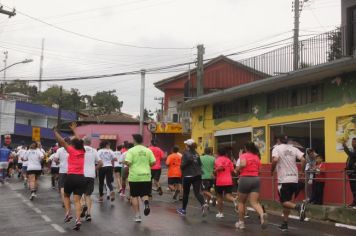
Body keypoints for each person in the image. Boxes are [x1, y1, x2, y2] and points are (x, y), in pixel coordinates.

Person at [53, 123, 86, 231]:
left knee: (66, 196)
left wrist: (55, 132)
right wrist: (74, 130)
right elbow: (79, 140)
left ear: (73, 145)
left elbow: (62, 141)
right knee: (77, 201)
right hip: (81, 178)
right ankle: (78, 220)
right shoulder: (82, 151)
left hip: (71, 177)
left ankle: (68, 213)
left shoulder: (71, 150)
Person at [271, 134, 307, 232]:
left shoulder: (276, 148)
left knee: (284, 202)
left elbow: (275, 160)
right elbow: (303, 159)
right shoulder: (293, 148)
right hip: (294, 179)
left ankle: (299, 207)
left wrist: (271, 170)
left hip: (284, 180)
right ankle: (285, 223)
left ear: (278, 140)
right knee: (287, 203)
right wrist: (302, 172)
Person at [235, 142, 267, 230]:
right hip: (256, 179)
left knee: (241, 202)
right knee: (254, 202)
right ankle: (262, 215)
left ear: (245, 148)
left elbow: (243, 164)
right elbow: (260, 170)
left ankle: (241, 223)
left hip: (245, 178)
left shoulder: (244, 155)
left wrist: (237, 168)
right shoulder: (256, 157)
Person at [124, 134, 156, 222]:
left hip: (135, 177)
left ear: (134, 140)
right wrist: (146, 165)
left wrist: (125, 162)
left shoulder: (131, 151)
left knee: (134, 196)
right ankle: (146, 203)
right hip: (146, 176)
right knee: (144, 194)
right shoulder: (148, 150)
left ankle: (137, 216)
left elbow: (128, 162)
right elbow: (153, 162)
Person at [177, 139, 208, 217]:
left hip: (188, 175)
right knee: (197, 192)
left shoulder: (185, 153)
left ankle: (183, 210)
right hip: (198, 175)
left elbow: (183, 165)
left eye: (186, 145)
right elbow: (200, 164)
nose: (185, 146)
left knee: (186, 194)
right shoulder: (197, 153)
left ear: (187, 146)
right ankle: (203, 204)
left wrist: (182, 166)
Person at [81, 137, 102, 222]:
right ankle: (89, 214)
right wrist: (95, 169)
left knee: (80, 193)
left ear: (83, 142)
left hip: (81, 174)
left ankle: (83, 205)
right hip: (91, 175)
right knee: (88, 195)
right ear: (90, 143)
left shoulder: (80, 149)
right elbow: (101, 163)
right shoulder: (94, 150)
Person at [214, 146, 238, 219]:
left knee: (219, 197)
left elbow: (221, 167)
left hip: (220, 181)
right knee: (228, 196)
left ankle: (220, 213)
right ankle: (234, 200)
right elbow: (233, 171)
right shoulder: (228, 160)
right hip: (229, 181)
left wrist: (214, 171)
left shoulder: (218, 160)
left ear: (218, 153)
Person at [54, 138, 70, 207]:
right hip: (71, 171)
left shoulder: (59, 150)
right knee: (70, 187)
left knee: (62, 187)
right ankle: (68, 200)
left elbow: (55, 159)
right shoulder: (72, 149)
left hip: (62, 170)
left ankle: (64, 201)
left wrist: (58, 163)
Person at [343, 138, 356, 209]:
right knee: (353, 189)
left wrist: (345, 147)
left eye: (354, 142)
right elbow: (350, 160)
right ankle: (354, 202)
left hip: (354, 174)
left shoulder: (353, 152)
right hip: (350, 173)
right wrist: (346, 168)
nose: (353, 143)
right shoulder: (353, 151)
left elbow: (352, 155)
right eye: (352, 142)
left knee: (355, 189)